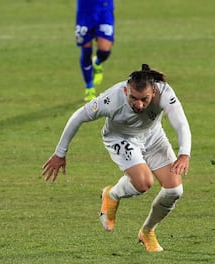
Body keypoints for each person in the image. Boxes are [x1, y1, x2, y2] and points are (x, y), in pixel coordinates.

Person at [42, 64, 191, 252]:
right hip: (121, 138)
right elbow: (78, 117)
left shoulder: (164, 92)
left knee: (174, 191)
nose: (139, 105)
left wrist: (184, 153)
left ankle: (147, 232)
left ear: (153, 91)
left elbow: (181, 123)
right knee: (144, 183)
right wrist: (60, 153)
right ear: (126, 90)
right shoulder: (111, 99)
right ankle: (112, 194)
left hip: (153, 137)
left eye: (144, 99)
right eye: (133, 98)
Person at [75, 0, 114, 102]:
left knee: (105, 51)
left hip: (104, 10)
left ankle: (97, 62)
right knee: (86, 50)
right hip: (85, 11)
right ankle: (89, 87)